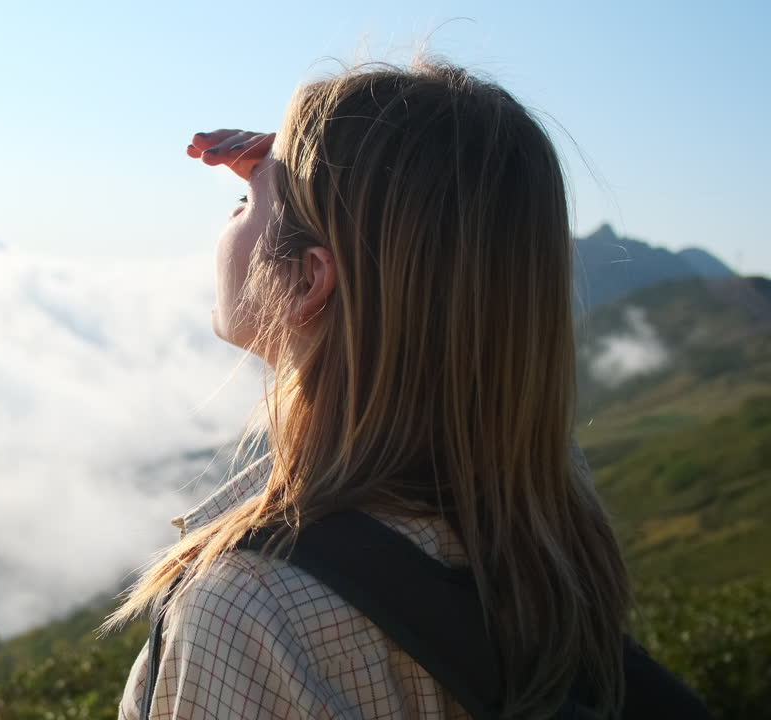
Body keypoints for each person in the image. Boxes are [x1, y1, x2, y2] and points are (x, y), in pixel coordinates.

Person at [101, 58, 641, 720]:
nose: (230, 214)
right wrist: (328, 170)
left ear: (306, 282)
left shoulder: (247, 609)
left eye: (243, 204)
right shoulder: (550, 522)